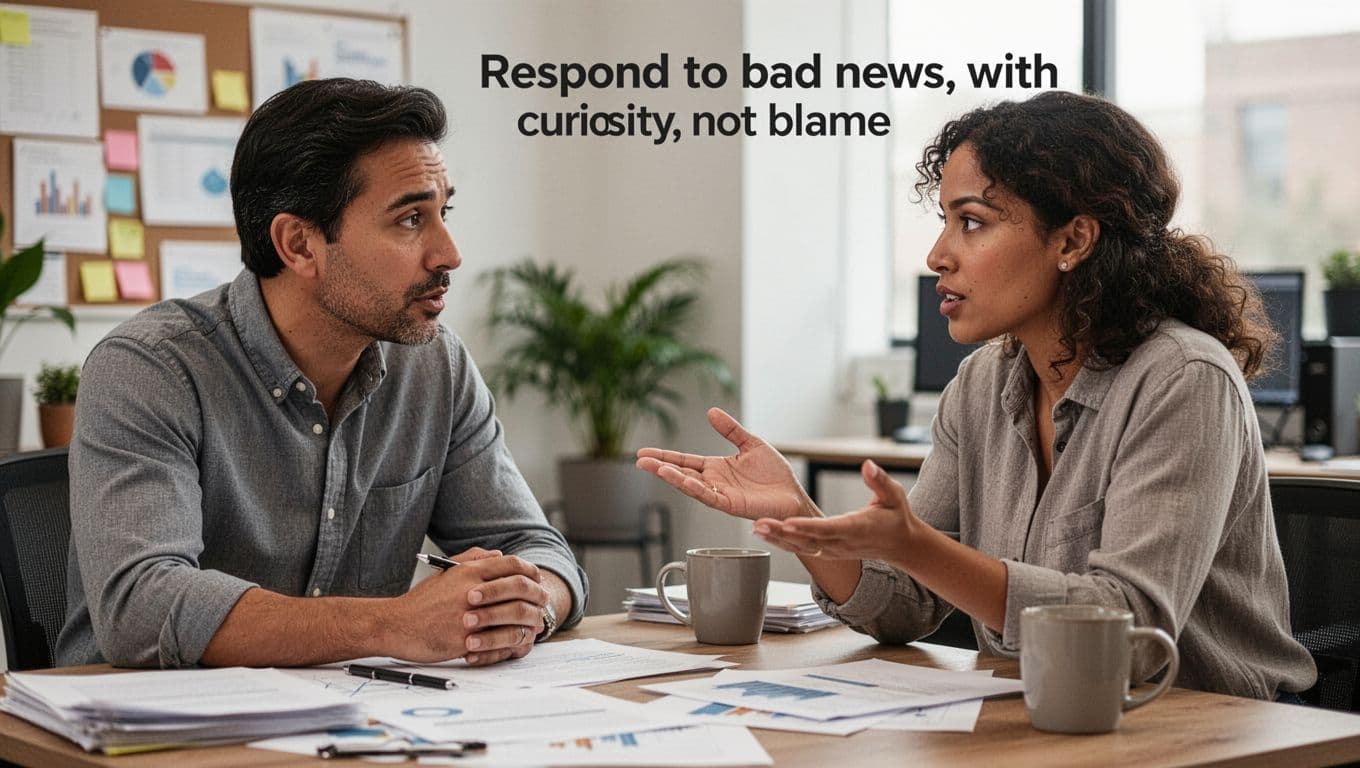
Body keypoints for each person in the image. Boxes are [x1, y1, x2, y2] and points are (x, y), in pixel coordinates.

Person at [637, 91, 1316, 700]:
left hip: (1211, 728)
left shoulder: (1182, 379)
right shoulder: (985, 381)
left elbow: (1129, 637)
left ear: (1073, 240)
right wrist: (804, 519)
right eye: (945, 221)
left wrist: (917, 547)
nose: (938, 254)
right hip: (1048, 719)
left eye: (972, 222)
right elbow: (901, 608)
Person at [56, 78, 586, 669]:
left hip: (356, 729)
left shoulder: (436, 365)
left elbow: (539, 551)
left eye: (443, 211)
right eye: (411, 219)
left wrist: (521, 607)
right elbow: (141, 607)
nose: (449, 253)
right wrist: (392, 625)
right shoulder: (151, 369)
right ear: (299, 244)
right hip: (138, 739)